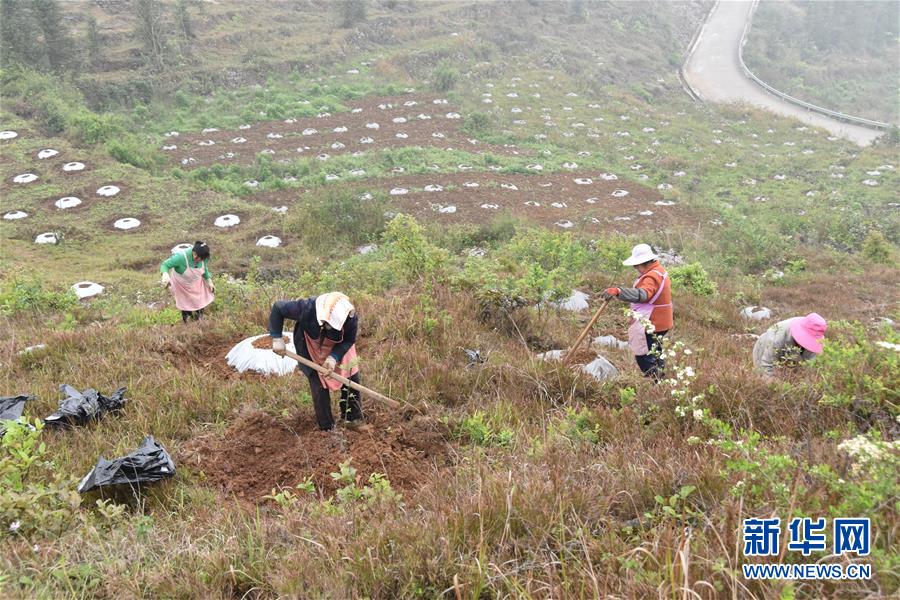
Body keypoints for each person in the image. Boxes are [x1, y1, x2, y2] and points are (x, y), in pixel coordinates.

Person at [268, 291, 364, 430]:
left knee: (350, 377)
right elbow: (278, 308)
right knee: (318, 385)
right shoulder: (307, 308)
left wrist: (333, 357)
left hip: (339, 346)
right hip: (310, 345)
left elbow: (349, 339)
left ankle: (352, 419)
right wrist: (277, 337)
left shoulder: (350, 317)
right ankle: (327, 428)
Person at [602, 243, 673, 380]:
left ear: (643, 263)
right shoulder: (659, 271)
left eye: (636, 265)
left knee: (644, 356)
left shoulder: (651, 276)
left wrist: (619, 291)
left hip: (652, 322)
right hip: (662, 322)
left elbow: (644, 294)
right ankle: (661, 383)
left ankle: (656, 383)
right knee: (656, 353)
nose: (635, 268)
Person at [753, 313, 827, 379]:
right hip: (765, 349)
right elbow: (767, 366)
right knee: (763, 377)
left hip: (792, 355)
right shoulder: (777, 338)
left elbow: (808, 367)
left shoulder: (815, 336)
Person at [160, 241, 215, 322]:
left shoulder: (204, 258)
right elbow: (165, 265)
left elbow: (204, 269)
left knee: (199, 301)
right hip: (181, 285)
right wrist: (165, 274)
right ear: (194, 253)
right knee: (186, 305)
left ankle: (199, 319)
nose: (200, 261)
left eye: (202, 259)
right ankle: (187, 323)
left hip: (196, 283)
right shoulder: (180, 257)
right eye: (199, 259)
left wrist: (209, 281)